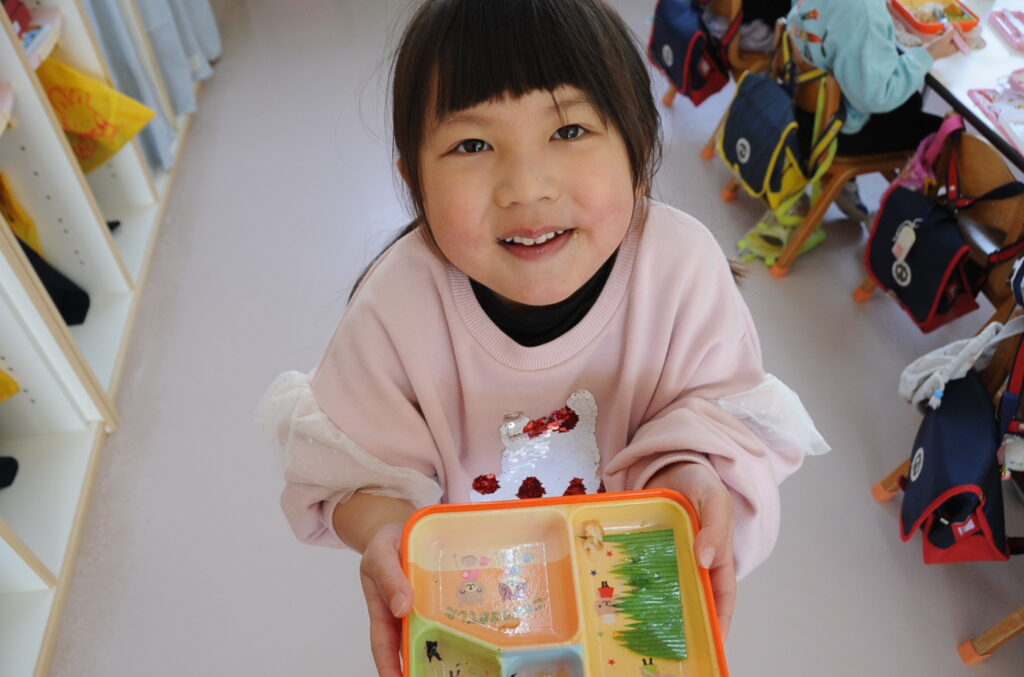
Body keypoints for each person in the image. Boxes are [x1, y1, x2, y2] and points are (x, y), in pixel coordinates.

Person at [257, 1, 829, 675]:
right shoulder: (397, 306)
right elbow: (353, 467)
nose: (526, 187)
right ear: (414, 180)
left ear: (639, 146)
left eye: (569, 129)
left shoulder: (681, 268)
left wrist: (685, 476)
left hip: (635, 597)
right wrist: (385, 529)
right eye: (473, 145)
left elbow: (720, 415)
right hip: (483, 608)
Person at [787, 0, 960, 219]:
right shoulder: (865, 13)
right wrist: (929, 54)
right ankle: (897, 220)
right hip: (833, 133)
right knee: (944, 135)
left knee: (911, 101)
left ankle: (845, 183)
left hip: (799, 105)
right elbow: (877, 97)